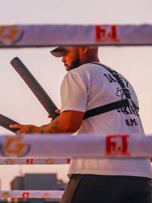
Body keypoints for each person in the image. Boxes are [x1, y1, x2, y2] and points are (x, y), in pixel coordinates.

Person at [10, 46, 152, 203]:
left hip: (99, 172)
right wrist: (66, 115)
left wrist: (36, 131)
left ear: (84, 48)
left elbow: (68, 125)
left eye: (66, 53)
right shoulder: (123, 81)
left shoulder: (78, 75)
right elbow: (112, 118)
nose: (63, 59)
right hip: (140, 176)